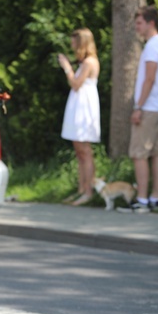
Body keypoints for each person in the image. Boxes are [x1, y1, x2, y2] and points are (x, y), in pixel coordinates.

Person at [119, 6, 158, 213]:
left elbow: (149, 79)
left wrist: (138, 106)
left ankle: (141, 200)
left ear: (151, 23)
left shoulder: (152, 47)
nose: (136, 27)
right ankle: (155, 198)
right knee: (156, 153)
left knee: (139, 154)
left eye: (139, 23)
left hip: (149, 107)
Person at [58, 28, 101, 206]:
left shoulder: (90, 62)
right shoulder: (84, 62)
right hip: (78, 108)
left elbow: (76, 84)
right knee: (79, 152)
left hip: (85, 110)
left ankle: (89, 191)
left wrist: (67, 68)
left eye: (75, 42)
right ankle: (81, 188)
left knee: (85, 150)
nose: (72, 46)